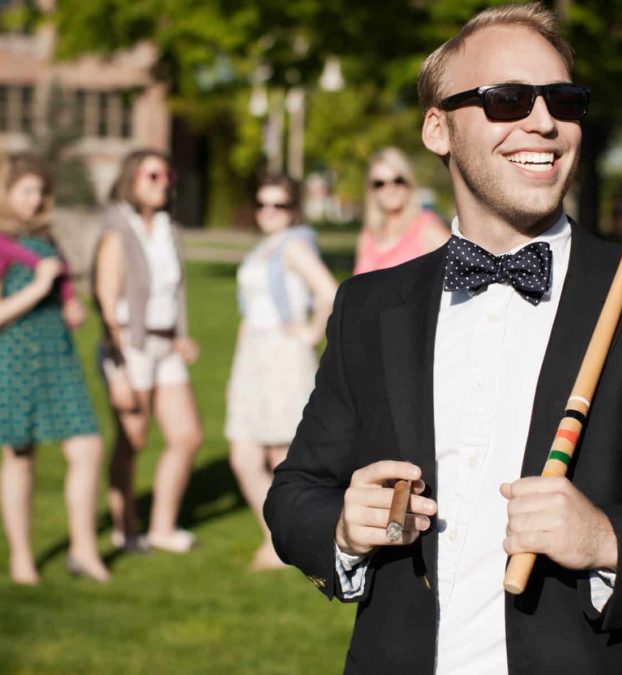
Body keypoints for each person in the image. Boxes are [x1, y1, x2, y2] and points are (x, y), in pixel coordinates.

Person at [264, 4, 622, 673]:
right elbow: (294, 493)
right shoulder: (370, 306)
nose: (543, 122)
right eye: (506, 100)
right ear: (438, 128)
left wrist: (607, 539)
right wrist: (341, 525)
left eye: (564, 101)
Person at [0, 154, 110, 585]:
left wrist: (68, 305)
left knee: (87, 447)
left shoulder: (46, 239)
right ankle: (22, 558)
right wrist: (37, 288)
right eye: (26, 190)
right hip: (13, 360)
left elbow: (59, 290)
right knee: (20, 458)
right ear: (6, 192)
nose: (34, 200)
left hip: (57, 357)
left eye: (40, 191)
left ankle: (84, 550)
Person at [92, 149, 204, 554]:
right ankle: (126, 527)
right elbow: (105, 301)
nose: (162, 183)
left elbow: (173, 293)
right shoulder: (117, 229)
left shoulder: (168, 228)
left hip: (164, 345)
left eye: (166, 175)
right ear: (131, 180)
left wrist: (180, 335)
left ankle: (162, 527)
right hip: (129, 346)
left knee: (187, 436)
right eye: (152, 175)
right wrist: (117, 368)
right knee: (132, 440)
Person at [227, 174, 338, 570]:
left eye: (279, 205)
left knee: (280, 455)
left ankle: (290, 542)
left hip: (282, 354)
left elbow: (328, 291)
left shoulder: (294, 246)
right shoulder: (264, 248)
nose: (269, 212)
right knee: (242, 453)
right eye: (263, 204)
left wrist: (309, 332)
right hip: (253, 354)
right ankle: (279, 537)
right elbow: (249, 311)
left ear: (293, 209)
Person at [353, 147, 450, 275]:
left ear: (409, 182)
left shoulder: (426, 226)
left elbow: (462, 272)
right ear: (371, 191)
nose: (390, 188)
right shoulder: (367, 237)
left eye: (398, 180)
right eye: (379, 183)